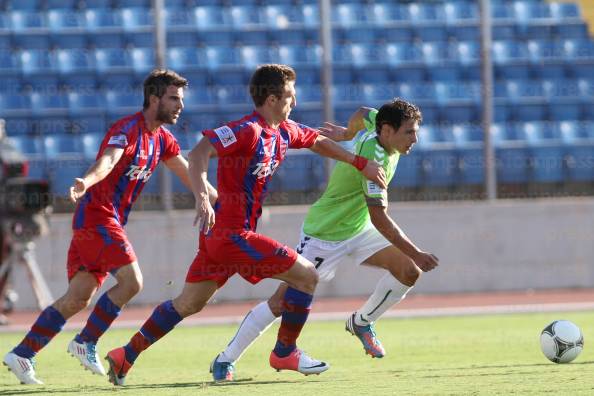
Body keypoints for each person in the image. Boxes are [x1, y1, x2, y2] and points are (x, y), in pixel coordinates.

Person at [104, 64, 387, 386]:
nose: (294, 102)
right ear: (271, 98)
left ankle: (126, 354)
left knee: (188, 303)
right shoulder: (246, 130)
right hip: (230, 234)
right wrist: (202, 197)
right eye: (290, 97)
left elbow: (317, 141)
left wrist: (360, 162)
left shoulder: (283, 130)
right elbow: (198, 154)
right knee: (307, 275)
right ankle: (285, 350)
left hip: (220, 238)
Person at [2, 69, 216, 385]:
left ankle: (22, 354)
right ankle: (86, 341)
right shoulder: (127, 130)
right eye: (173, 98)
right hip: (97, 218)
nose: (179, 105)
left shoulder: (163, 140)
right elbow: (107, 162)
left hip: (104, 223)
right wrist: (85, 181)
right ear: (154, 98)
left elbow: (189, 174)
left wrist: (214, 200)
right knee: (132, 282)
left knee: (77, 298)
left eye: (180, 99)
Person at [209, 98, 440, 382]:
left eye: (416, 131)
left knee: (407, 270)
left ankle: (362, 323)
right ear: (388, 131)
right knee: (281, 302)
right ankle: (226, 359)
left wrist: (346, 133)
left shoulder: (379, 122)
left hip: (357, 228)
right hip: (324, 235)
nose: (415, 139)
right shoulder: (375, 158)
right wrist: (416, 251)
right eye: (409, 132)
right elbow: (380, 217)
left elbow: (363, 113)